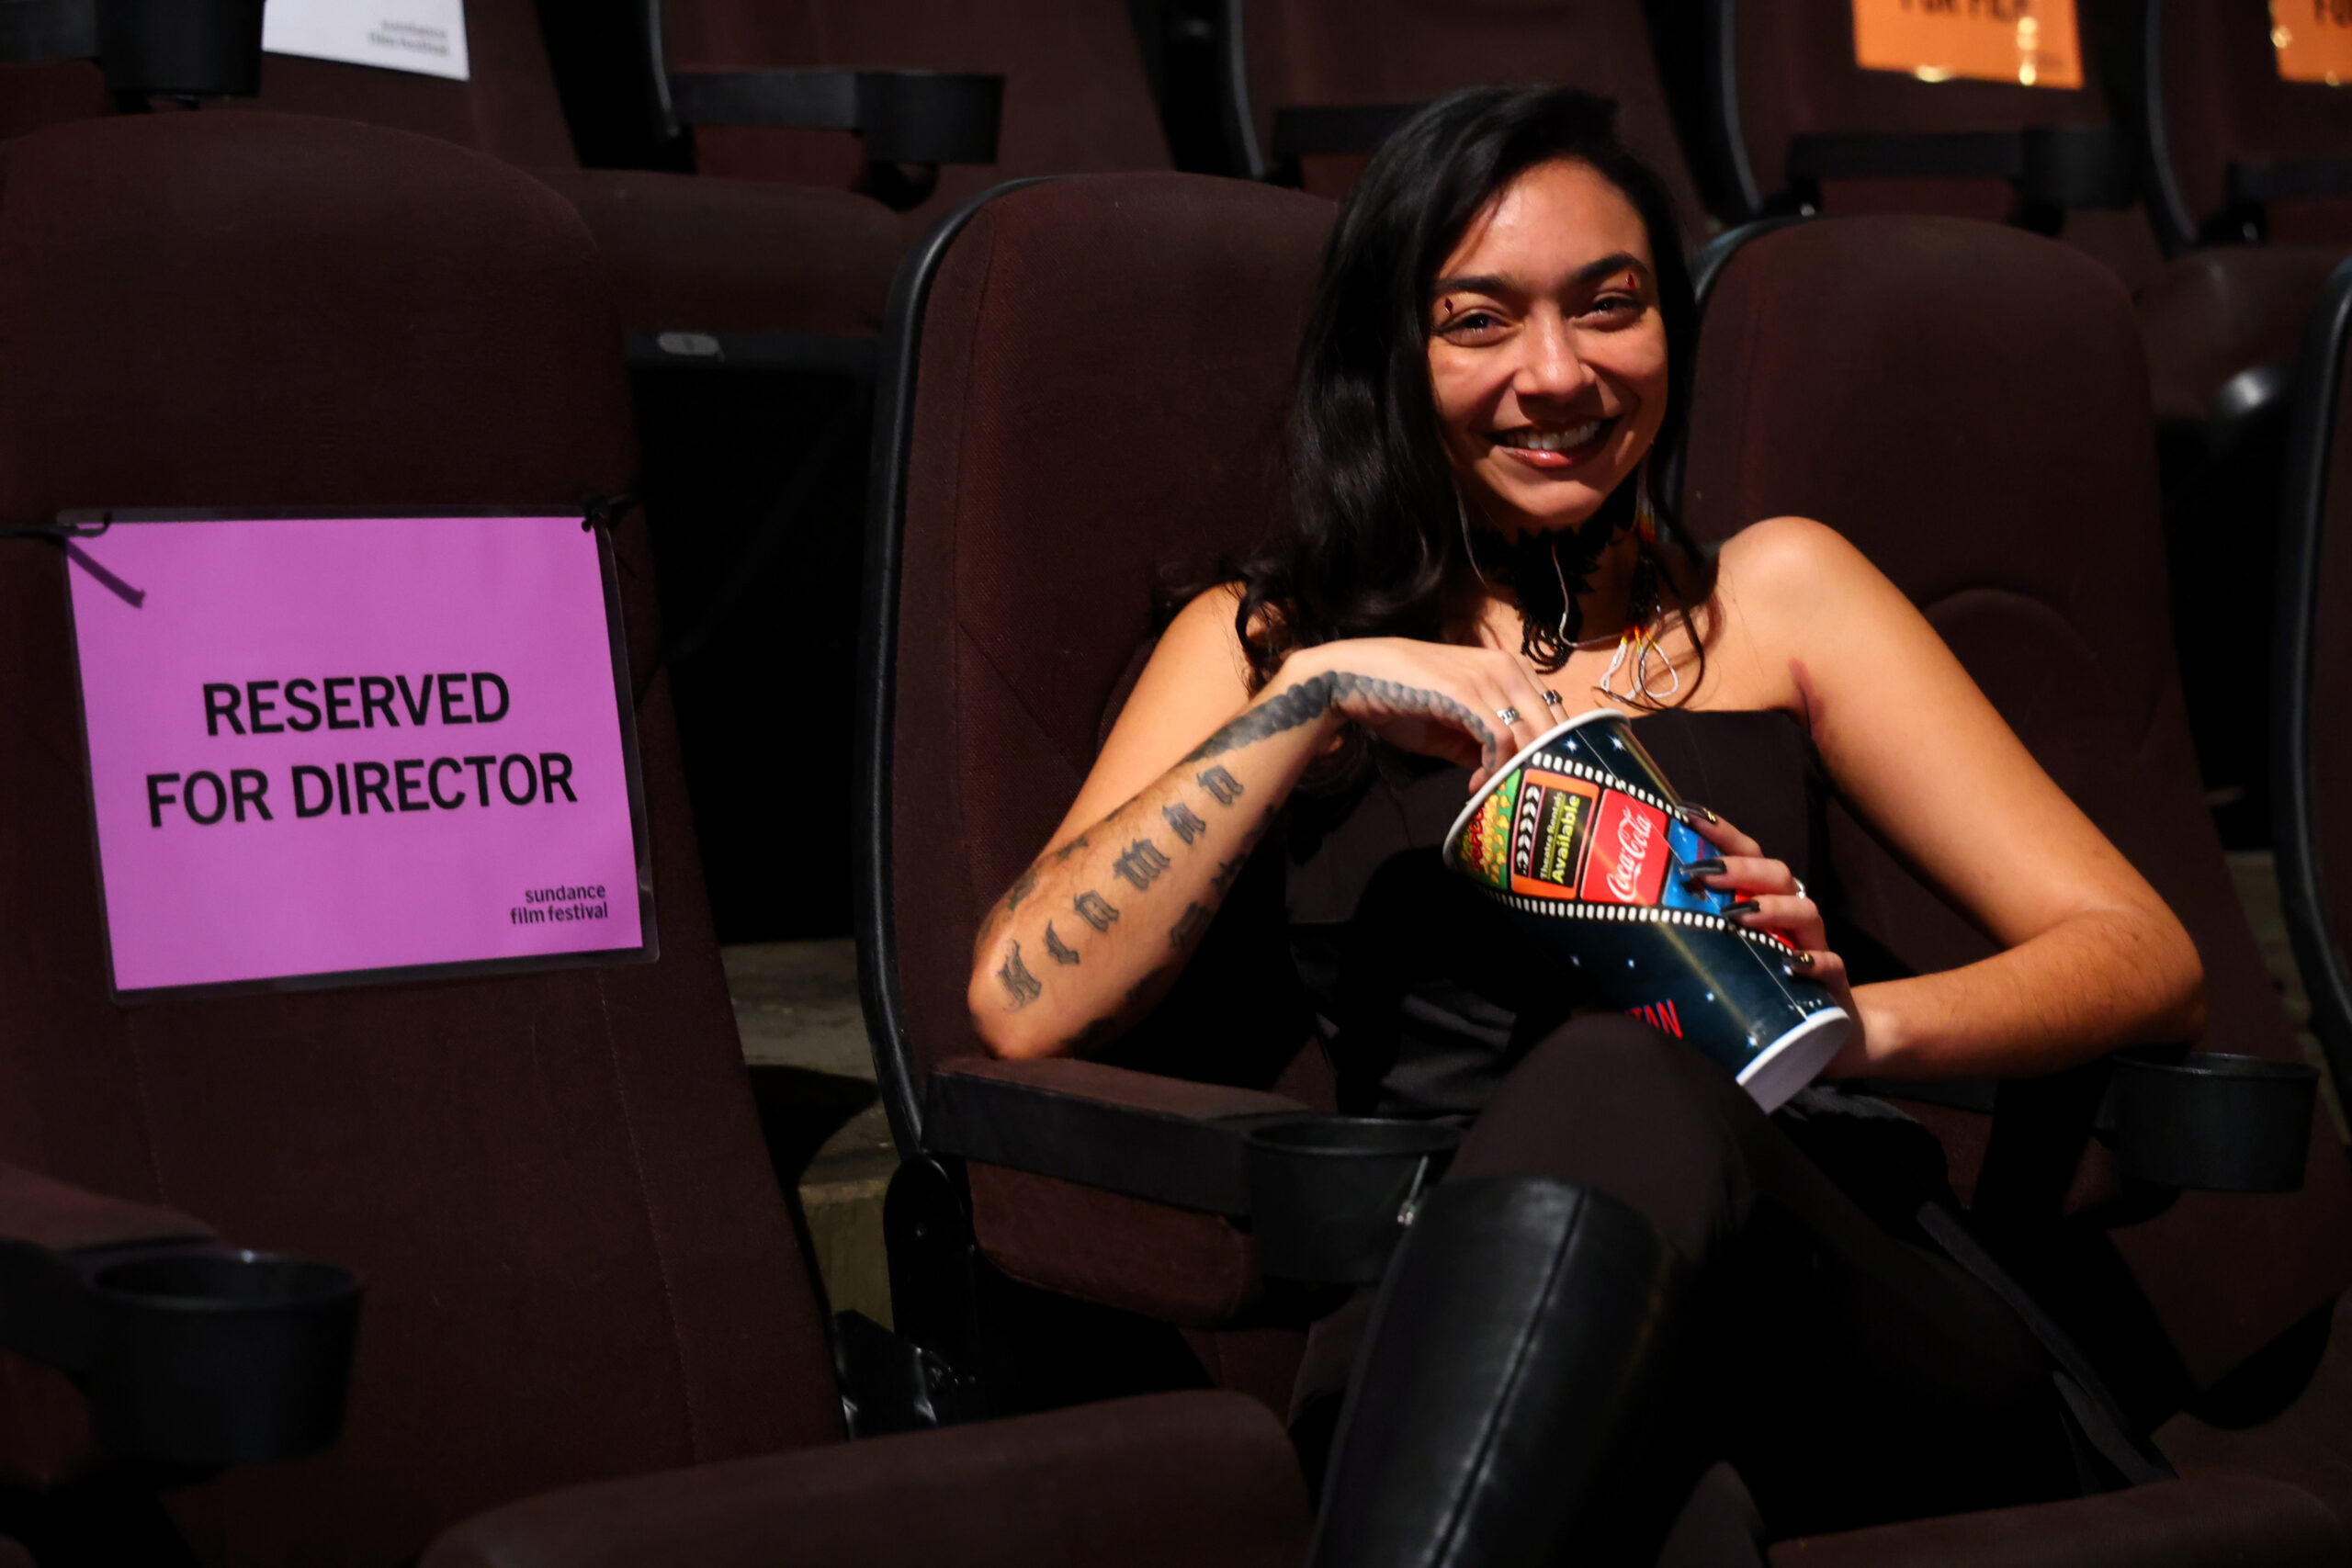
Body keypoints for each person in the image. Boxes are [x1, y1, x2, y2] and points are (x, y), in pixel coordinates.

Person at [962, 85, 2205, 1562]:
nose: (1557, 375)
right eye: (1479, 320)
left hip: (1825, 1294)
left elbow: (2140, 949)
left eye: (1607, 307)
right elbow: (1020, 1004)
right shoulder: (1270, 648)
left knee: (1628, 1081)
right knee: (1668, 1519)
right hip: (1459, 1305)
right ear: (1391, 355)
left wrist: (1850, 1022)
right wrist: (1313, 700)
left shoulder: (1781, 598)